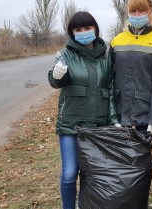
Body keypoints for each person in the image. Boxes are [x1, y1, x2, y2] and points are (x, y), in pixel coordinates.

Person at [48, 11, 117, 209]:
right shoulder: (65, 55)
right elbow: (56, 82)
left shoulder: (107, 56)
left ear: (95, 28)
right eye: (78, 29)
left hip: (98, 124)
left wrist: (114, 119)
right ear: (72, 33)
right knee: (70, 173)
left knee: (92, 173)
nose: (84, 32)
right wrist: (56, 74)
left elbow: (110, 90)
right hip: (71, 123)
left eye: (88, 28)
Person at [110, 0, 152, 135]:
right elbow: (110, 81)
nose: (137, 15)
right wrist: (112, 115)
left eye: (141, 11)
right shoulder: (117, 41)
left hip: (145, 116)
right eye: (133, 11)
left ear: (150, 12)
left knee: (142, 156)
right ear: (128, 13)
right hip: (120, 116)